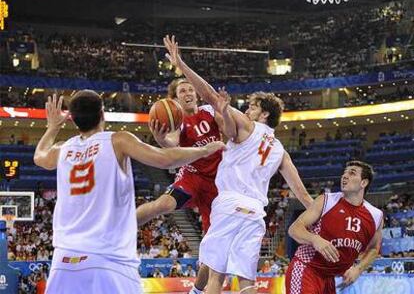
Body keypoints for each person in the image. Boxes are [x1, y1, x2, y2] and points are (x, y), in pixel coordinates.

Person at [164, 35, 313, 294]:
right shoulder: (280, 151)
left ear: (264, 114)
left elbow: (209, 94)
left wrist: (182, 65)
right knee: (247, 283)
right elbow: (301, 193)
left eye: (252, 107)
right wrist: (321, 217)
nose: (247, 110)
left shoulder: (248, 126)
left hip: (230, 204)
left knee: (215, 278)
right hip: (256, 213)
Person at [33, 91, 224, 294]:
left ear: (73, 120)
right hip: (109, 258)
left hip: (64, 260)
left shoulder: (62, 150)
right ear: (102, 114)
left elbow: (39, 156)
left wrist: (52, 128)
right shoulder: (118, 141)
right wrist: (204, 151)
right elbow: (166, 158)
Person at [136, 77, 227, 293]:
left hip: (220, 184)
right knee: (164, 204)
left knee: (214, 247)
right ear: (175, 99)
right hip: (193, 177)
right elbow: (172, 142)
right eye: (182, 91)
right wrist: (160, 140)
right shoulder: (178, 121)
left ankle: (196, 290)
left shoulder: (209, 111)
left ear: (196, 93)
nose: (187, 93)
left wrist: (223, 110)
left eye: (190, 90)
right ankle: (120, 227)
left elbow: (228, 130)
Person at [285, 161, 383, 294]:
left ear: (363, 183)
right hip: (306, 269)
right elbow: (294, 229)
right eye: (344, 173)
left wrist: (358, 269)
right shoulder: (326, 201)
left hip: (329, 278)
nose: (344, 176)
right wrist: (315, 239)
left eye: (352, 173)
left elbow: (374, 249)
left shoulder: (376, 215)